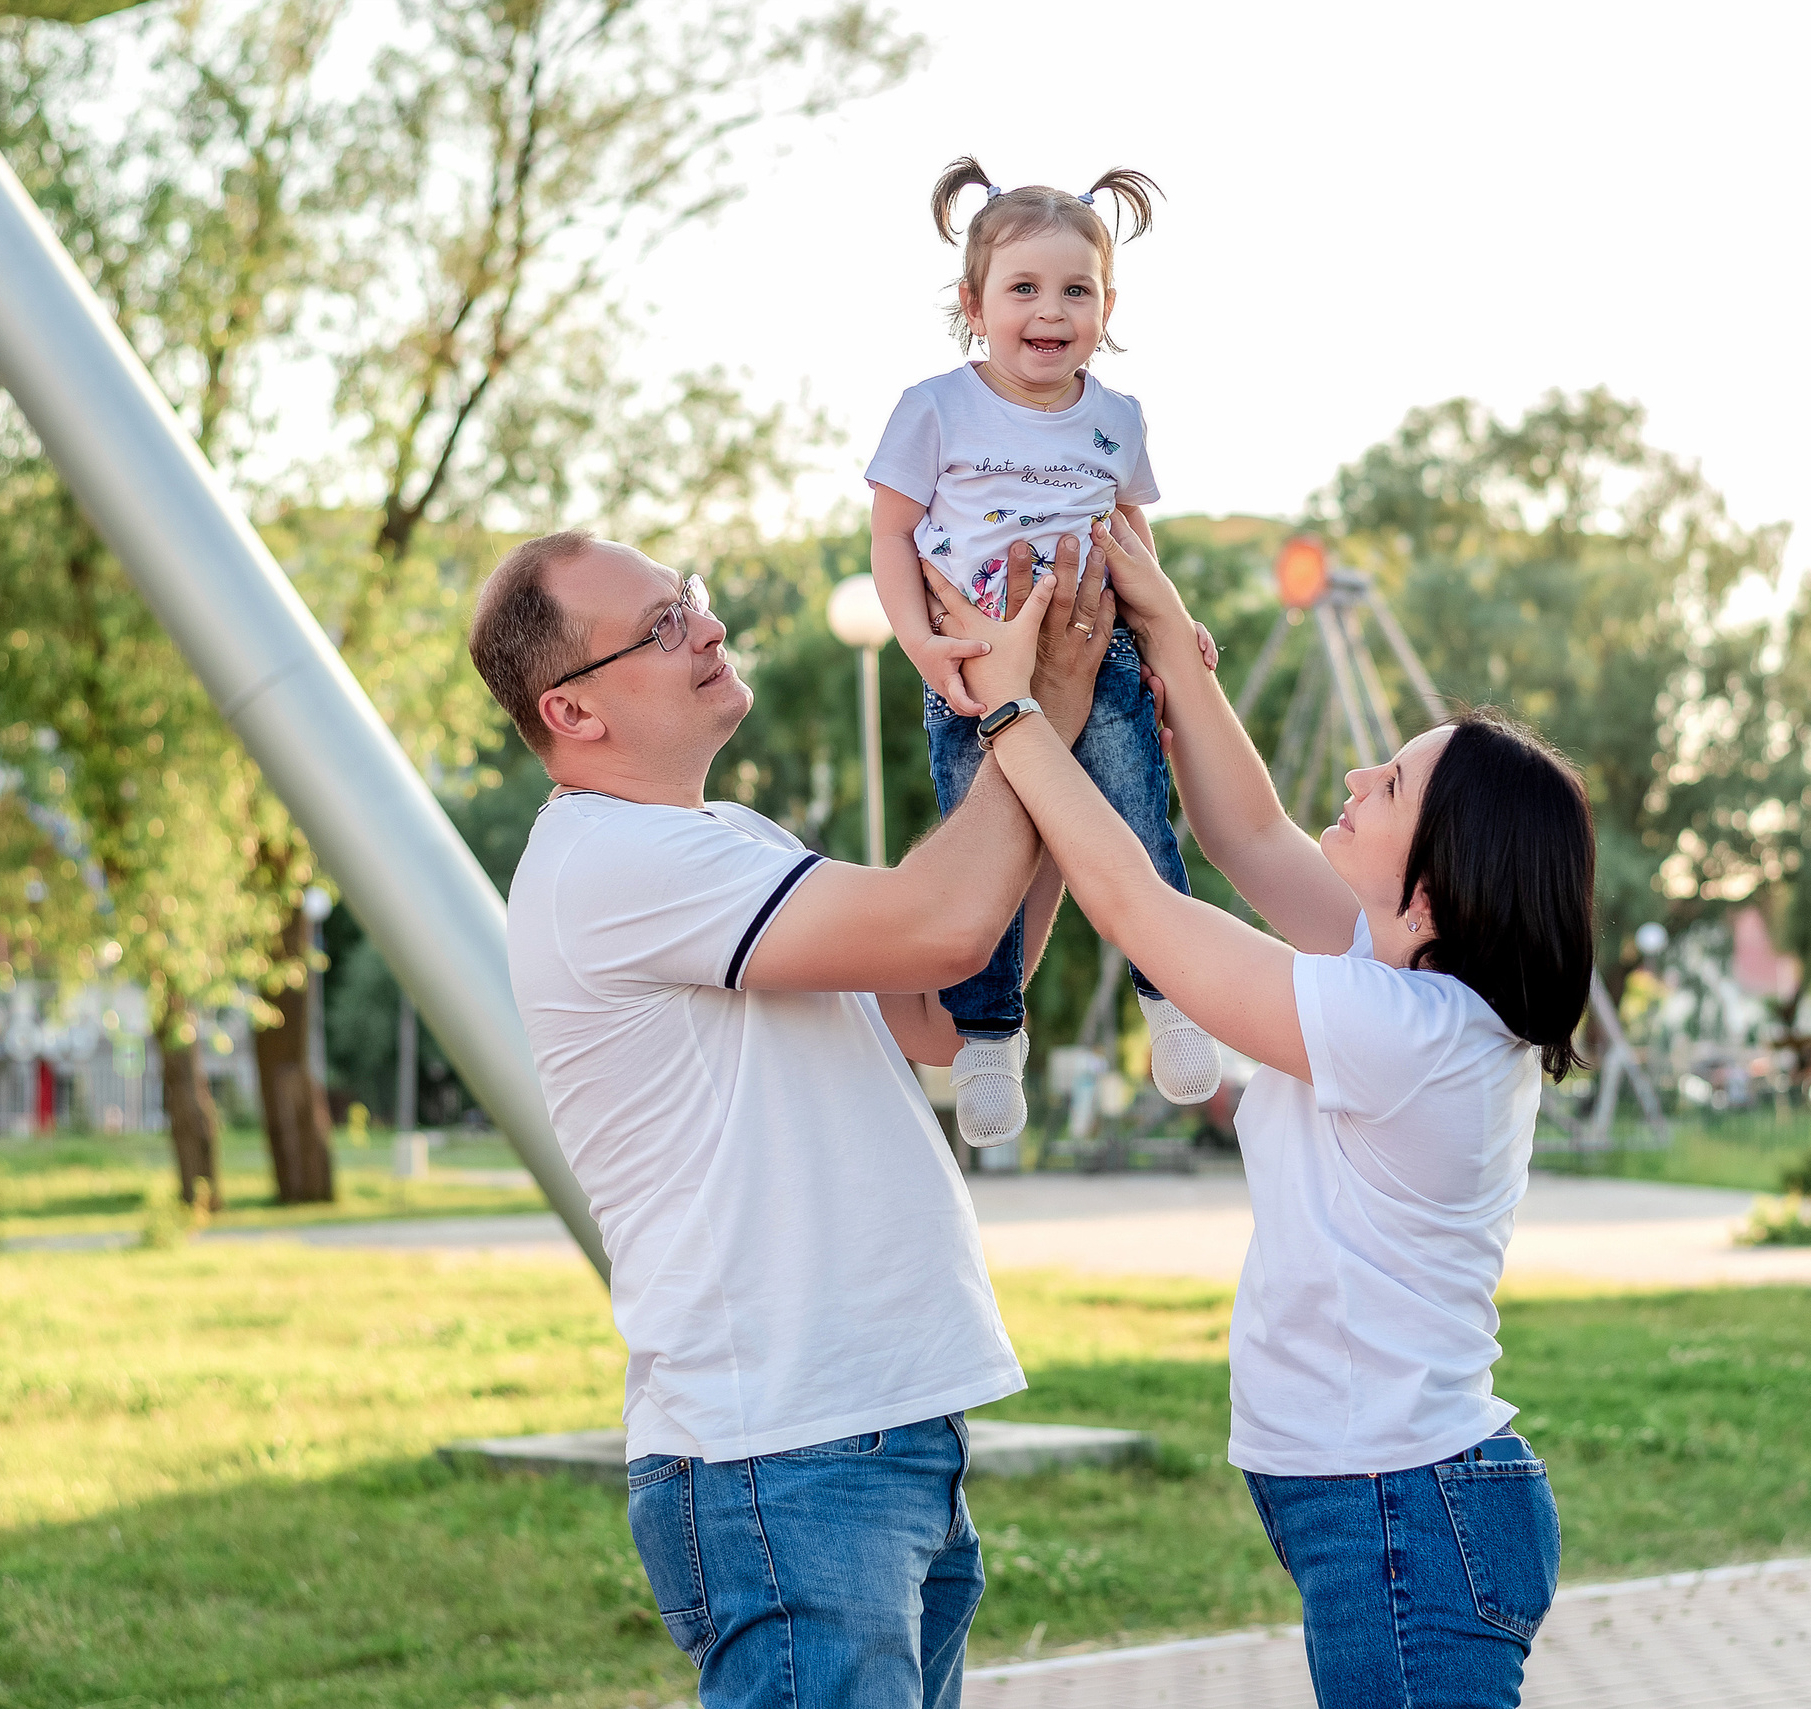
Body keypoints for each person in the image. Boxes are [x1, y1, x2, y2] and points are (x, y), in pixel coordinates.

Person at [925, 516, 1598, 1709]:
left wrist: (1013, 716)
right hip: (1390, 1497)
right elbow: (1245, 831)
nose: (1353, 778)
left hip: (1405, 1502)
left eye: (1387, 783)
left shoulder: (1407, 1032)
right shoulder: (1396, 979)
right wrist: (1165, 625)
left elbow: (1141, 908)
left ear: (1438, 877)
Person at [467, 531, 1115, 1709]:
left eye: (691, 600)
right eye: (661, 626)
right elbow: (941, 922)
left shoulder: (732, 842)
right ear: (572, 709)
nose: (707, 627)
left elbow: (941, 1007)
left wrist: (1052, 723)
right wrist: (1026, 719)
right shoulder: (608, 861)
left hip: (875, 1424)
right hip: (787, 1447)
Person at [863, 155, 1220, 1150]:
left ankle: (1175, 998)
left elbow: (1130, 531)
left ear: (1108, 304)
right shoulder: (935, 407)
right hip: (978, 667)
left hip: (1097, 659)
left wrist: (1168, 620)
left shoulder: (1116, 419)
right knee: (992, 861)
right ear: (974, 303)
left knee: (1139, 823)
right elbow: (891, 536)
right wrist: (921, 641)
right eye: (1024, 287)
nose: (1050, 310)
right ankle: (986, 1036)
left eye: (1077, 289)